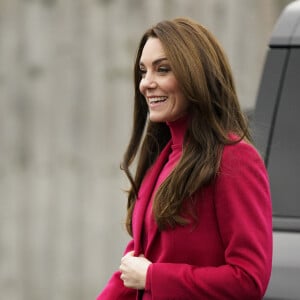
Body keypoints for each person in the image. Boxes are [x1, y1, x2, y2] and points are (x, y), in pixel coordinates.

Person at [97, 17, 272, 300]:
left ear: (196, 75)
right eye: (143, 72)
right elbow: (134, 265)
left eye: (162, 69)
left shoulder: (235, 159)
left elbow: (249, 280)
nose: (146, 83)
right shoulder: (162, 158)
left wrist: (154, 276)